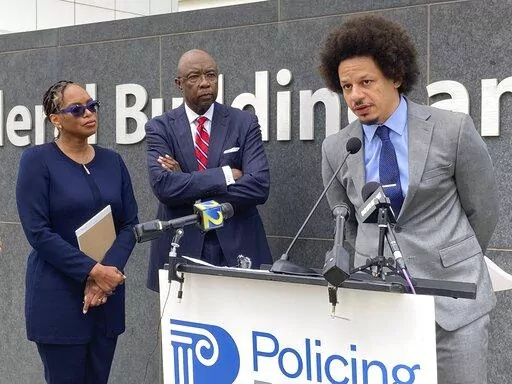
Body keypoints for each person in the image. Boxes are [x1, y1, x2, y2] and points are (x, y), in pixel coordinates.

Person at [319, 15, 499, 384]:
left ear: (396, 76)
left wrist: (450, 258)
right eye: (346, 86)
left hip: (454, 306)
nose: (355, 96)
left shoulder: (452, 130)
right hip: (379, 303)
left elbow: (483, 209)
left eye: (366, 82)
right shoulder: (337, 147)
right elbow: (346, 222)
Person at [16, 80, 139, 384]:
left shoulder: (113, 161)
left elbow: (130, 223)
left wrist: (107, 274)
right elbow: (38, 233)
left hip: (107, 295)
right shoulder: (36, 161)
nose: (89, 113)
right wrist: (92, 271)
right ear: (55, 119)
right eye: (77, 108)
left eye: (92, 105)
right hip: (58, 297)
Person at [145, 49, 272, 291]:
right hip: (182, 245)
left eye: (211, 75)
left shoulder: (244, 123)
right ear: (179, 84)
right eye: (194, 77)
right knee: (181, 328)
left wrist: (185, 179)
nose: (205, 83)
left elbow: (259, 185)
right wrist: (226, 175)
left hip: (237, 243)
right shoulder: (160, 128)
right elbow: (164, 187)